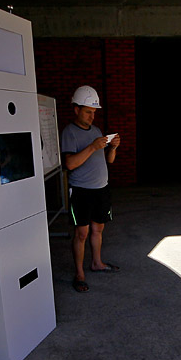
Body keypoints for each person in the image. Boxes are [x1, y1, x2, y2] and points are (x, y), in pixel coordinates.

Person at [61, 85, 121, 293]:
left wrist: (112, 148)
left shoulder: (96, 131)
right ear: (76, 109)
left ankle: (97, 262)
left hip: (101, 189)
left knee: (98, 229)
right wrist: (93, 147)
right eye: (88, 111)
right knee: (82, 233)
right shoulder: (70, 132)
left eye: (94, 112)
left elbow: (109, 161)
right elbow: (69, 164)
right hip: (82, 191)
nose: (91, 116)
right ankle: (79, 273)